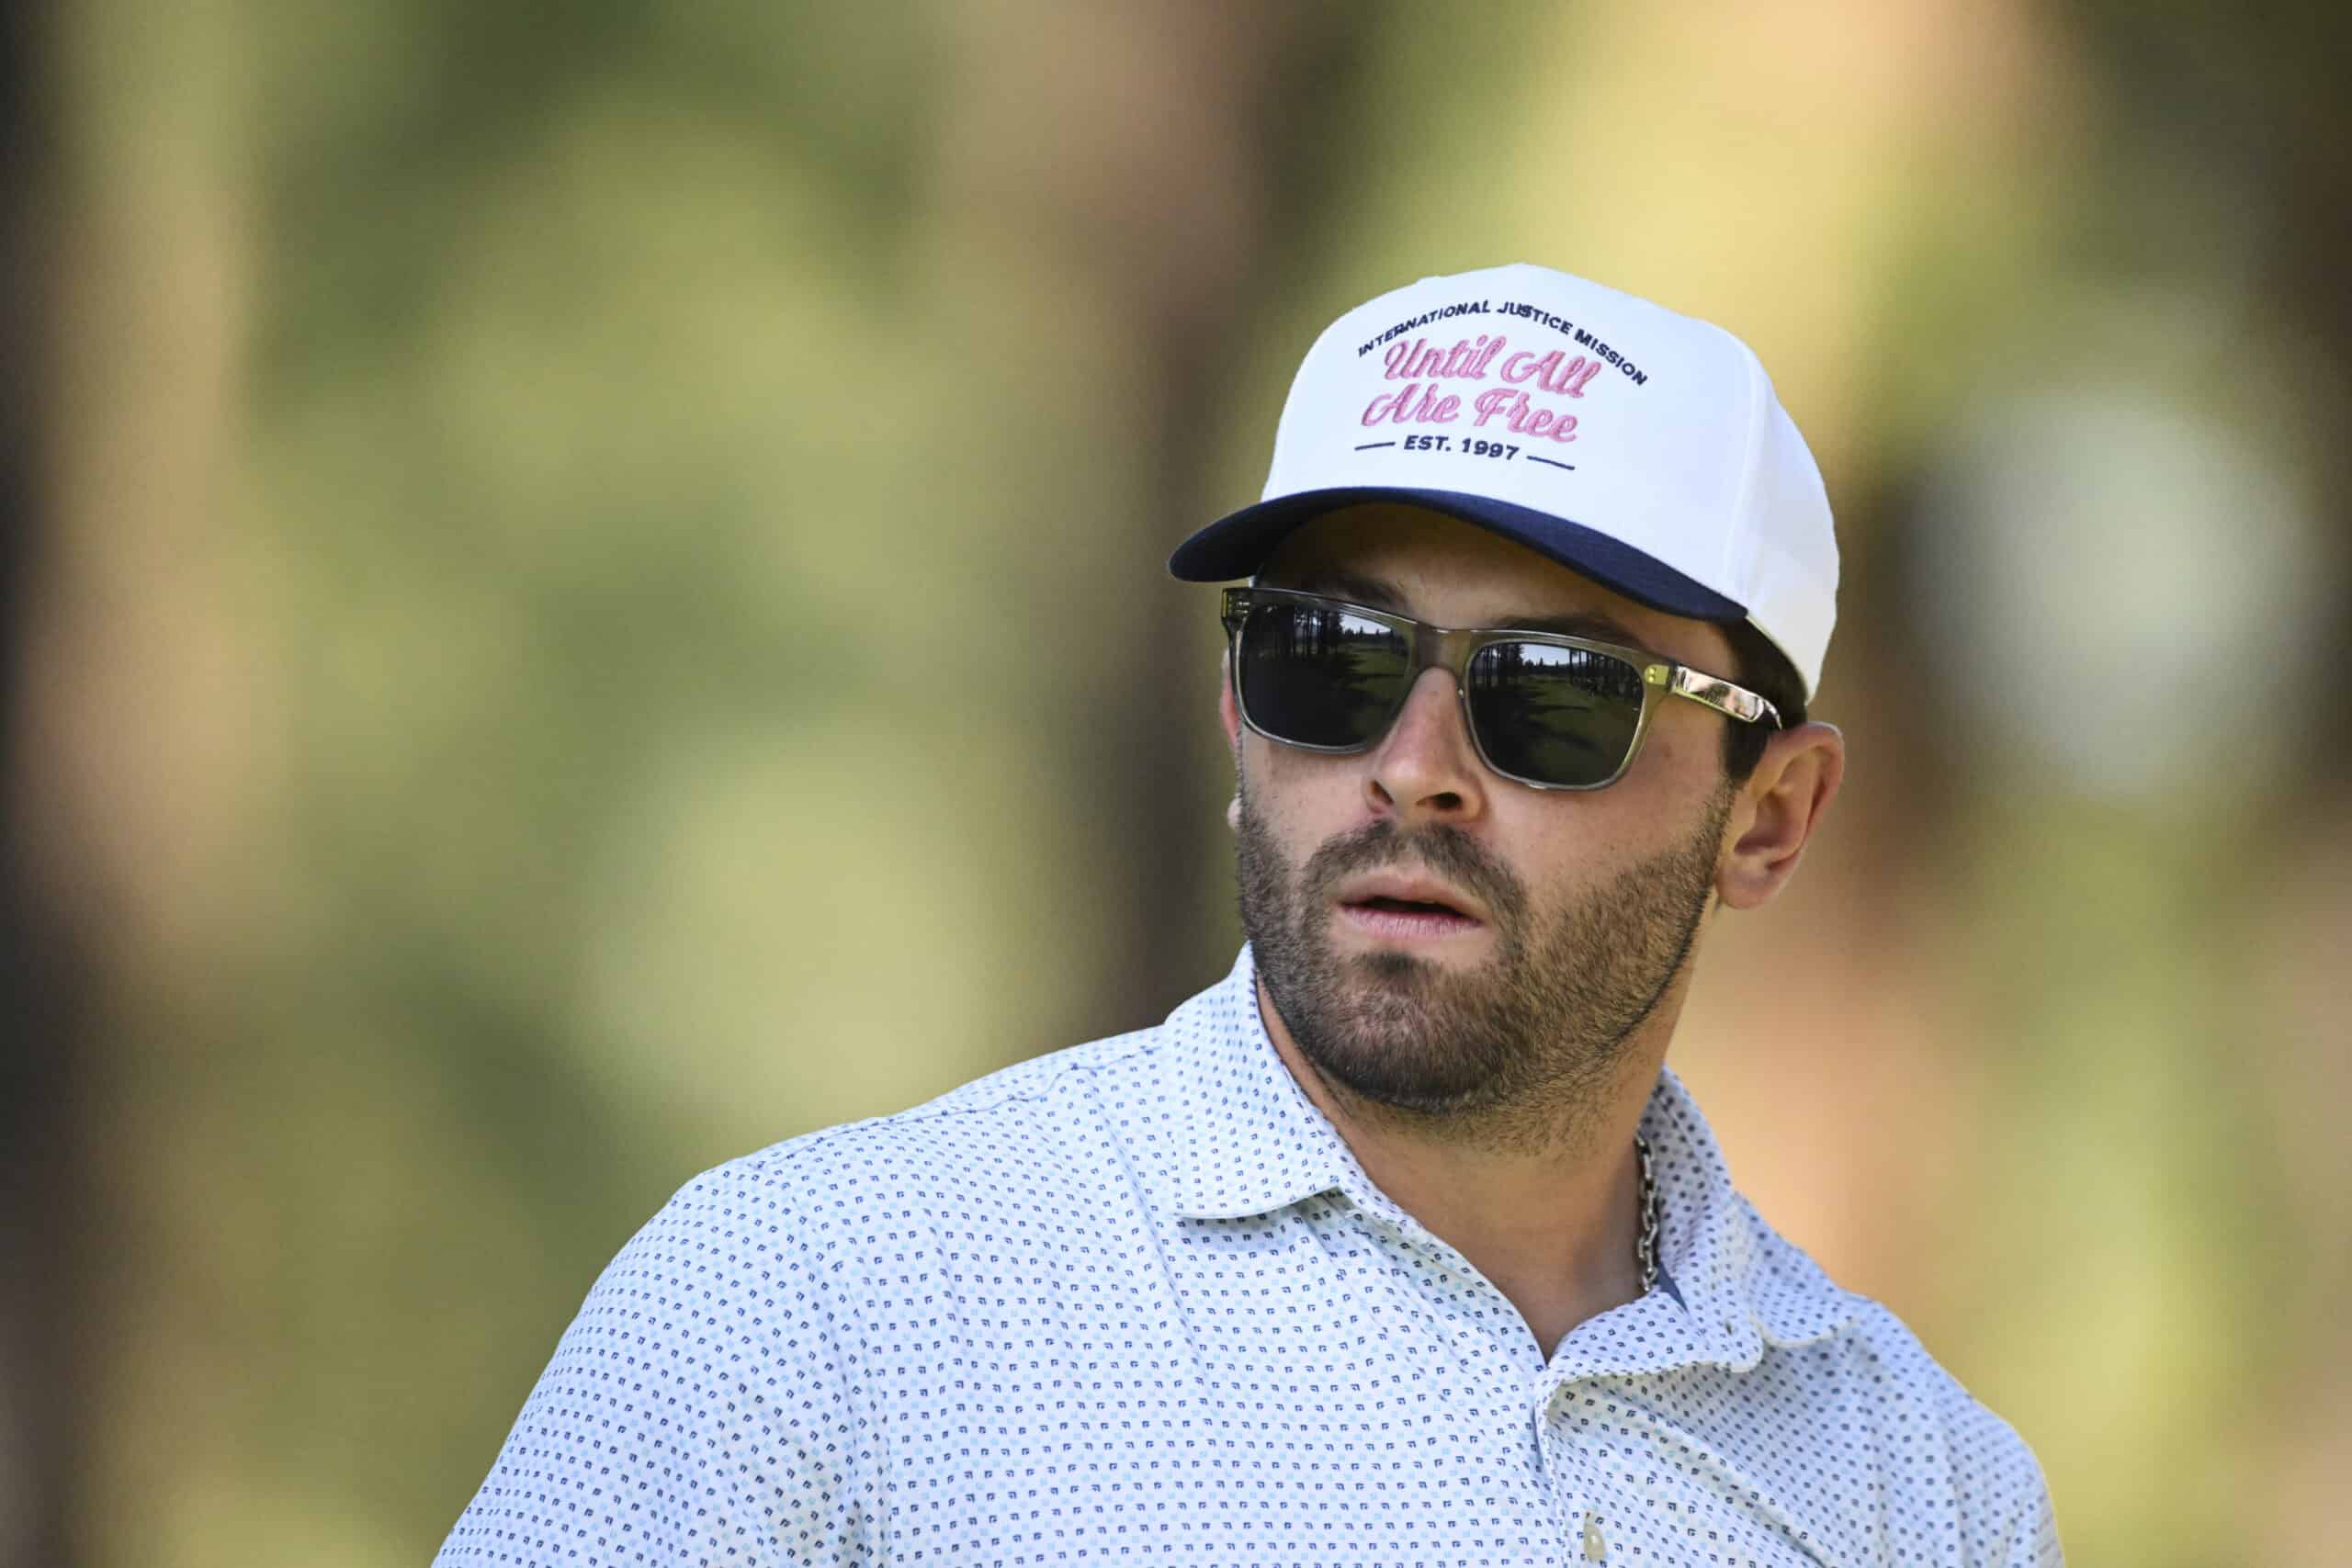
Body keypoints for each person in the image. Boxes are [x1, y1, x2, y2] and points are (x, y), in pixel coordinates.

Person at [436, 264, 2060, 1565]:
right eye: (1330, 660)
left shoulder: (1926, 1497)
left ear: (1769, 817)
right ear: (1236, 711)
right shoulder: (812, 1309)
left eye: (1554, 695)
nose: (1414, 770)